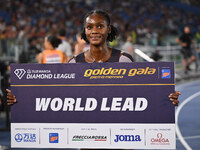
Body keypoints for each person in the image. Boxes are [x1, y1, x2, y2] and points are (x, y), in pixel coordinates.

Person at [7, 10, 180, 150]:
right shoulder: (75, 63)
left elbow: (140, 95)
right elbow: (58, 97)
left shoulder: (123, 60)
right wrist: (21, 100)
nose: (95, 30)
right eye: (90, 27)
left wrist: (165, 98)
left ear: (109, 29)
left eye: (100, 26)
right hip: (87, 136)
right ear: (85, 31)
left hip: (121, 135)